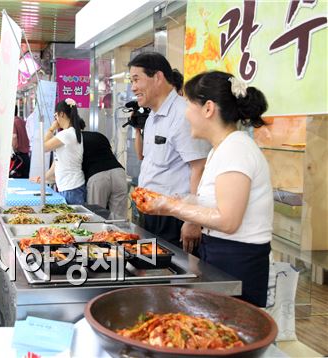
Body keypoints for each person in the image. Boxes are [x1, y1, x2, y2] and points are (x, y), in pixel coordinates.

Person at [135, 71, 272, 307]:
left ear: (208, 109)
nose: (185, 114)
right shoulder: (220, 148)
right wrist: (184, 201)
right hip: (220, 251)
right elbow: (217, 202)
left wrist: (173, 207)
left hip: (238, 258)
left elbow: (228, 220)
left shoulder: (236, 150)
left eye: (188, 105)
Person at [129, 52, 209, 252]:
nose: (133, 88)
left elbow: (200, 168)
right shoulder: (152, 117)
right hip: (150, 213)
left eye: (136, 79)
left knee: (174, 277)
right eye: (131, 81)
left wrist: (193, 219)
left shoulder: (183, 115)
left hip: (174, 219)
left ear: (157, 77)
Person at [33, 98, 86, 204]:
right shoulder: (72, 133)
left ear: (61, 114)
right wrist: (43, 178)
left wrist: (51, 129)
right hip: (70, 186)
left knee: (71, 219)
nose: (55, 119)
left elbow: (43, 147)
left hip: (71, 187)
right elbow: (57, 163)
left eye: (55, 116)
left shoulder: (67, 134)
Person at [79, 120, 128, 219]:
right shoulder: (99, 135)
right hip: (119, 172)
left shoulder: (74, 140)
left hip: (97, 177)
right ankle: (120, 234)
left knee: (97, 216)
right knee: (119, 218)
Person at [12, 105, 31, 178]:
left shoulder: (13, 122)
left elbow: (14, 138)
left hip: (18, 157)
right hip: (26, 156)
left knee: (15, 182)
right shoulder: (22, 121)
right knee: (25, 181)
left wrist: (13, 150)